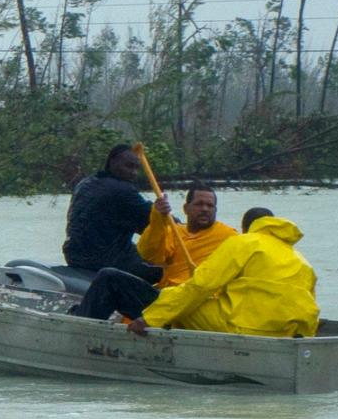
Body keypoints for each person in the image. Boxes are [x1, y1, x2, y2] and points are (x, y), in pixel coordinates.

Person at [127, 206, 320, 338]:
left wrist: (151, 318)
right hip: (291, 332)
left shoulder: (243, 242)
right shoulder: (300, 259)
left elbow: (201, 285)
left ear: (246, 228)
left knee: (178, 303)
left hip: (246, 328)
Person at [70, 185, 238, 323]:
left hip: (196, 305)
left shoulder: (229, 236)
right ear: (186, 208)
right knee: (109, 278)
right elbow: (149, 254)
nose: (205, 209)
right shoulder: (175, 231)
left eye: (210, 206)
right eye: (199, 204)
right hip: (167, 300)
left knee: (108, 277)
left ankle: (80, 320)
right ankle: (82, 325)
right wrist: (158, 217)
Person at [62, 143, 160, 283]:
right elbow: (157, 222)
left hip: (74, 255)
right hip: (104, 259)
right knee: (164, 271)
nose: (134, 173)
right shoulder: (122, 191)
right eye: (129, 166)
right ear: (112, 162)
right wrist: (187, 230)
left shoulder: (85, 183)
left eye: (136, 168)